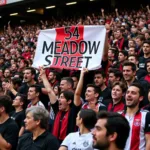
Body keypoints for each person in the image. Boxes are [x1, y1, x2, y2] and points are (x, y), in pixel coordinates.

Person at [122, 83, 150, 150]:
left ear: (140, 98)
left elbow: (149, 140)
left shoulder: (146, 115)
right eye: (128, 92)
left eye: (133, 93)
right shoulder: (118, 115)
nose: (129, 95)